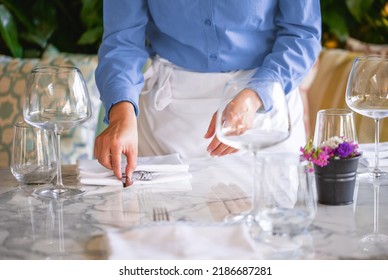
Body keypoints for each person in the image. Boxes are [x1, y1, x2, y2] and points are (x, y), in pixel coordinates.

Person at [94, 0, 322, 186]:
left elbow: (302, 34)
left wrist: (256, 96)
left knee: (270, 232)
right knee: (167, 234)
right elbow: (122, 42)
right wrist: (121, 114)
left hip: (263, 107)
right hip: (169, 118)